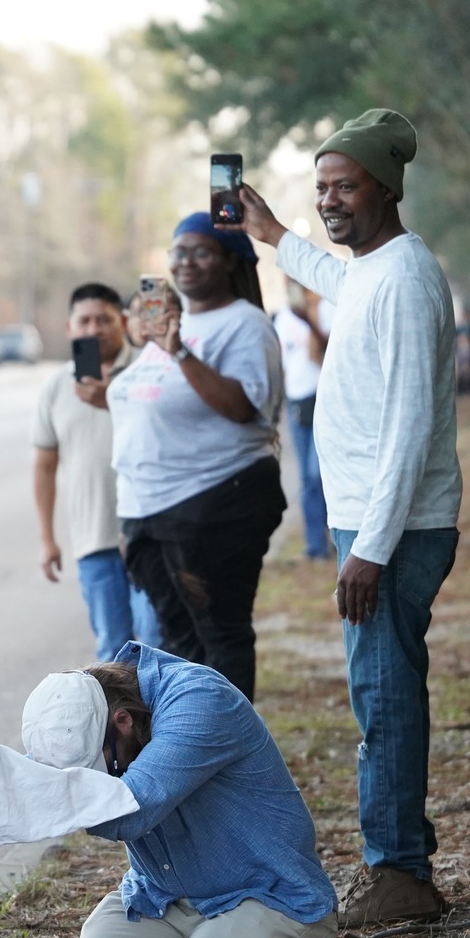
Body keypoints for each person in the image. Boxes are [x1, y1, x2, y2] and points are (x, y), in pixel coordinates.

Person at [241, 108, 464, 928]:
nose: (331, 200)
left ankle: (400, 873)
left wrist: (368, 550)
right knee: (383, 692)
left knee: (386, 697)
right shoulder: (373, 267)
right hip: (375, 525)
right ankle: (396, 861)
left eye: (346, 185)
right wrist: (273, 233)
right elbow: (339, 280)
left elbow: (409, 423)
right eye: (322, 187)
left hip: (391, 532)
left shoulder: (404, 277)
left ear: (388, 187)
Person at [42, 649, 337, 938]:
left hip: (268, 897)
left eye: (100, 770)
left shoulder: (200, 702)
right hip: (167, 895)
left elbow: (133, 808)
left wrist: (37, 803)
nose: (97, 781)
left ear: (123, 721)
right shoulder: (87, 713)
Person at [108, 214, 286, 700]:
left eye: (201, 251)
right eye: (178, 251)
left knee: (218, 636)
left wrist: (180, 352)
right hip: (151, 513)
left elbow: (243, 406)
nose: (186, 261)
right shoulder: (167, 326)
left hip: (214, 506)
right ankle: (193, 749)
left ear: (230, 261)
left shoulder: (246, 325)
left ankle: (228, 754)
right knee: (177, 642)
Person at [33, 283, 162, 660]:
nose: (94, 329)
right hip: (94, 539)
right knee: (113, 651)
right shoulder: (57, 386)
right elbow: (44, 467)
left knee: (156, 642)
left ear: (122, 322)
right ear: (70, 328)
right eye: (84, 321)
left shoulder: (150, 367)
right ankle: (122, 720)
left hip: (150, 533)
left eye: (104, 320)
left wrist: (111, 398)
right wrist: (47, 538)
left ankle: (162, 721)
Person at [273, 286, 335, 559]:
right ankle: (315, 546)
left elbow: (333, 351)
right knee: (307, 479)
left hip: (324, 399)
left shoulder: (327, 307)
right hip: (296, 403)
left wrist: (308, 319)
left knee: (318, 474)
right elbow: (281, 362)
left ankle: (332, 536)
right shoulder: (284, 317)